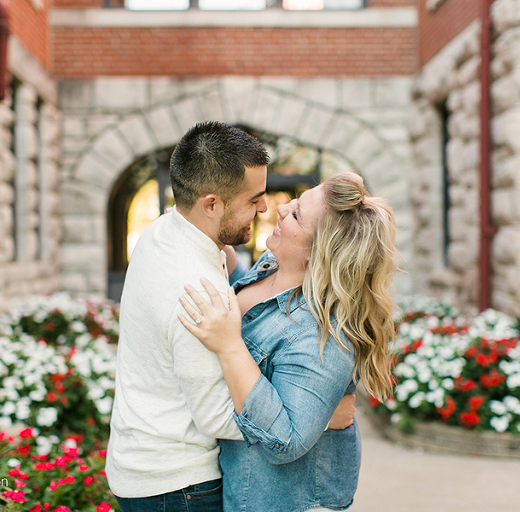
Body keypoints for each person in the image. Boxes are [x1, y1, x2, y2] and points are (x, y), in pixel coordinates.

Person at [105, 121, 354, 512]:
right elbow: (218, 416)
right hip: (179, 485)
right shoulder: (200, 295)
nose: (266, 207)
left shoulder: (164, 231)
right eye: (254, 198)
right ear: (210, 204)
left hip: (143, 463)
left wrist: (226, 262)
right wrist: (314, 420)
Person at [178, 172, 399, 512]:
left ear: (318, 252)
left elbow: (287, 440)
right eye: (296, 201)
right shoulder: (273, 267)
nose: (282, 208)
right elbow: (254, 306)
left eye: (296, 214)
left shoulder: (324, 336)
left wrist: (229, 346)